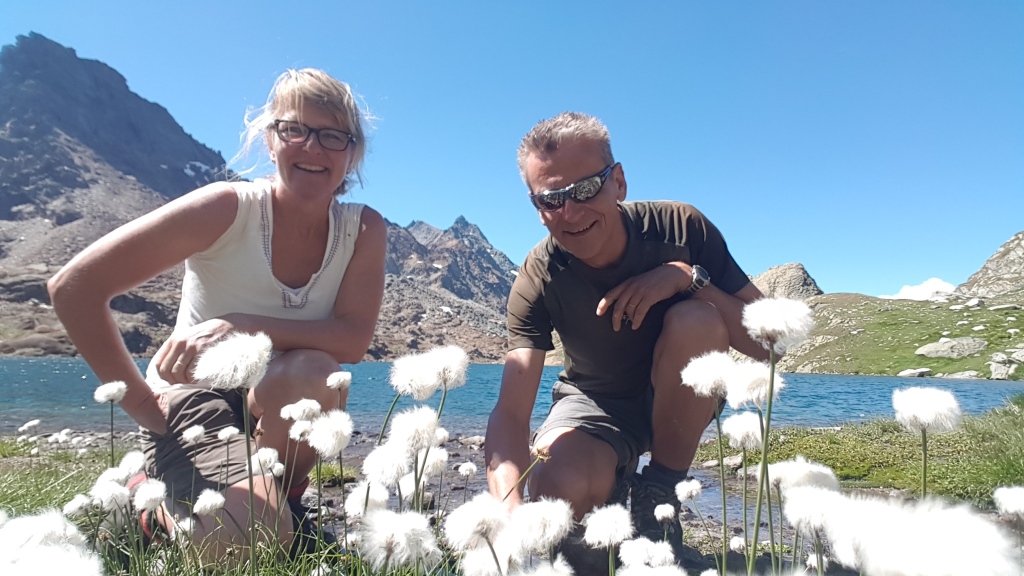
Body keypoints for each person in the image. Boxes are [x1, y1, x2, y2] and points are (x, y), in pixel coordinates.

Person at [47, 69, 386, 560]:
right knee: (246, 540)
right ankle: (147, 505)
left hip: (276, 398)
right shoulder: (229, 209)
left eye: (333, 136)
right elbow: (74, 287)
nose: (312, 147)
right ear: (270, 139)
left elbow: (352, 340)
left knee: (319, 372)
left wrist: (238, 324)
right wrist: (141, 403)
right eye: (295, 129)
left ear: (352, 152)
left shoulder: (363, 229)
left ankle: (286, 504)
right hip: (195, 400)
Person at [485, 112, 770, 567]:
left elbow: (769, 343)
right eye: (551, 199)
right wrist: (508, 510)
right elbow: (511, 412)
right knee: (558, 485)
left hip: (681, 397)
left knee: (697, 319)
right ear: (537, 207)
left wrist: (687, 279)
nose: (570, 212)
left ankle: (659, 492)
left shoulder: (681, 228)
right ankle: (612, 489)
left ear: (618, 182)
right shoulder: (539, 275)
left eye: (585, 189)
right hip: (594, 404)